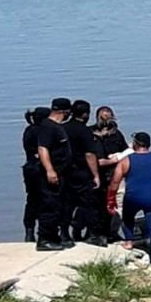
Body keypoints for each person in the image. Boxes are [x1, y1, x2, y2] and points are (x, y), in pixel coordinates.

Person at [106, 132, 151, 272]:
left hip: (133, 197)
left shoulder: (126, 160)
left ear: (135, 144)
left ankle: (129, 241)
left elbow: (115, 181)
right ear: (150, 144)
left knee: (127, 217)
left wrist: (111, 199)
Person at [63, 100, 103, 247]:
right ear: (86, 114)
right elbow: (89, 154)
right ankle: (93, 235)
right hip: (81, 171)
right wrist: (95, 175)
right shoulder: (84, 131)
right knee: (89, 203)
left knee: (67, 203)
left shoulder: (63, 128)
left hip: (66, 171)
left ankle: (64, 234)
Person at [35, 97, 74, 251]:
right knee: (50, 205)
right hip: (52, 174)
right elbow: (42, 149)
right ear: (64, 111)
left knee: (59, 206)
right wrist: (50, 170)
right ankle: (44, 239)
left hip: (62, 173)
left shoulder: (57, 127)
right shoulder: (48, 127)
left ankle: (54, 236)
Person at [91, 106, 129, 242]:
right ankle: (94, 232)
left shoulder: (117, 134)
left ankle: (112, 232)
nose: (106, 120)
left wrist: (121, 158)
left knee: (119, 205)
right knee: (98, 206)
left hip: (116, 175)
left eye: (109, 117)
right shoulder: (91, 134)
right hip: (97, 175)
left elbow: (125, 152)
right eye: (103, 117)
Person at [21, 106, 51, 242]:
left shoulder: (28, 130)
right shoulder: (44, 132)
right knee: (46, 200)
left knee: (31, 200)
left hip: (29, 168)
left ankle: (29, 231)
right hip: (41, 169)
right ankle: (44, 232)